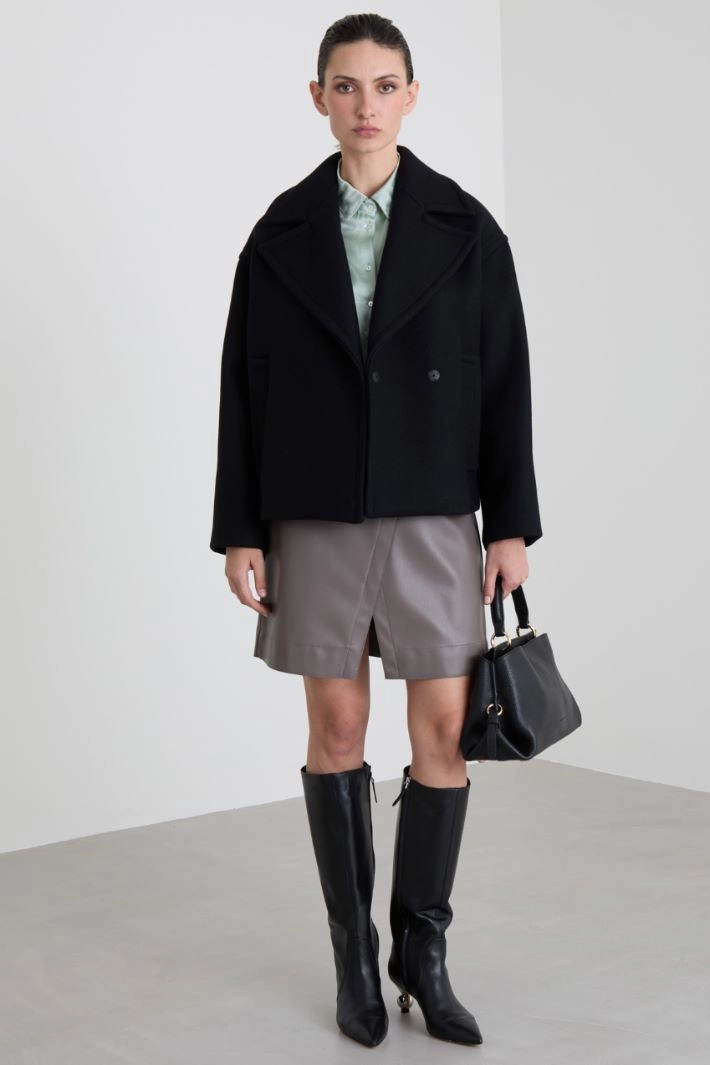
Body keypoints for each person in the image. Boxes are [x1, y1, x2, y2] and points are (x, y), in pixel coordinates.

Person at [210, 12, 542, 1049]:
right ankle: (353, 955)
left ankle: (421, 953)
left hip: (435, 506)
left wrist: (509, 524)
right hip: (313, 508)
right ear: (318, 98)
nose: (365, 106)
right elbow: (242, 388)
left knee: (443, 731)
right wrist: (240, 527)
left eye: (384, 85)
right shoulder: (278, 233)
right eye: (345, 87)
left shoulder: (465, 227)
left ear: (411, 96)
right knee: (339, 731)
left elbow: (505, 381)